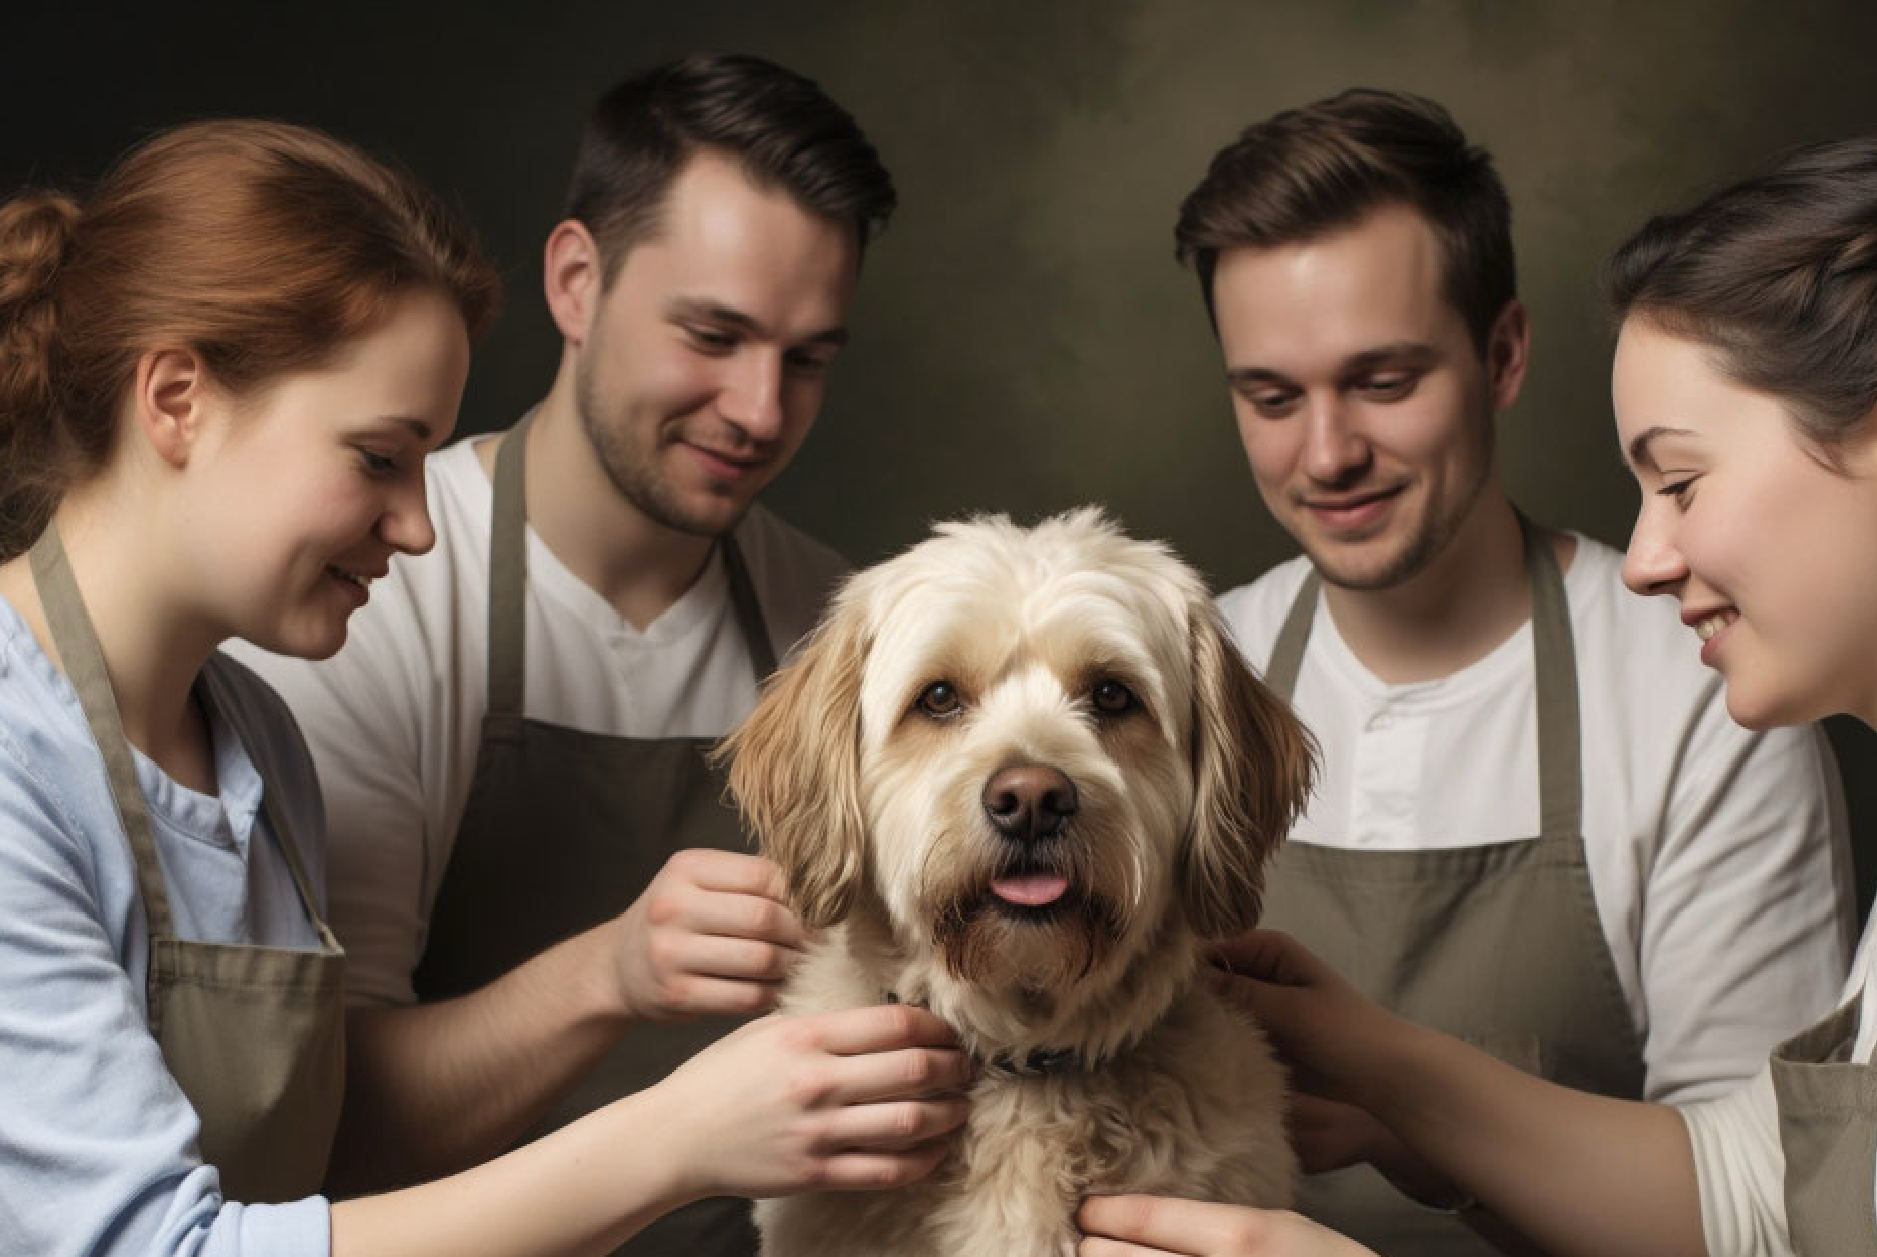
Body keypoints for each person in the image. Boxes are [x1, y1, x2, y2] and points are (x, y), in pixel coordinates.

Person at [0, 117, 970, 1257]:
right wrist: (671, 1137)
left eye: (426, 465)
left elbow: (329, 1167)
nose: (417, 526)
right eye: (377, 457)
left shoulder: (253, 741)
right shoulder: (19, 756)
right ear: (175, 399)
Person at [1080, 131, 1877, 1257]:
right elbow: (1768, 1192)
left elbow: (1776, 1221)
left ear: (1501, 357)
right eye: (1268, 395)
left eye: (1383, 380)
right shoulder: (1167, 679)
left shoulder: (1708, 694)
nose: (1325, 453)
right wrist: (1392, 1077)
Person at [223, 52, 896, 1254]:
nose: (756, 408)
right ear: (577, 283)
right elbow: (319, 1122)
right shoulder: (368, 601)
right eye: (713, 333)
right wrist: (610, 973)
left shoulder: (840, 626)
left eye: (807, 360)